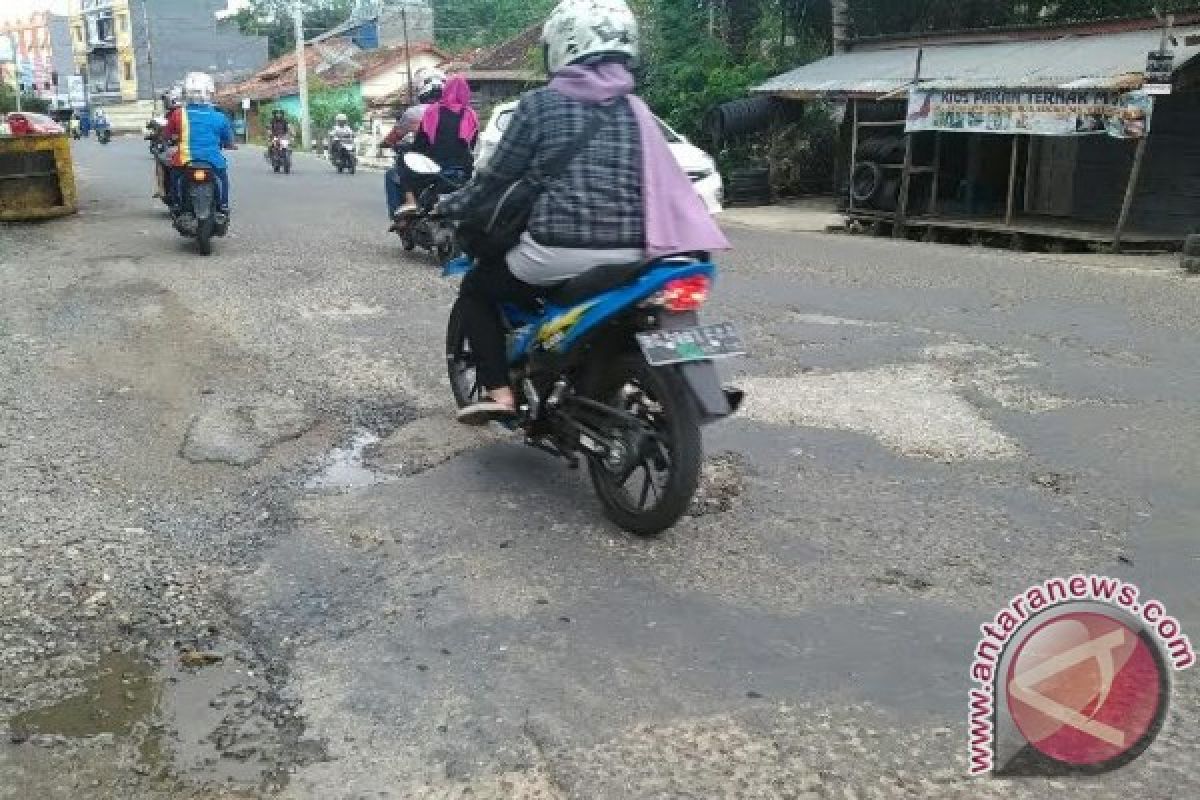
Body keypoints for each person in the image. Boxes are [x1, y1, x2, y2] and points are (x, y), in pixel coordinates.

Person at [440, 0, 729, 424]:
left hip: (559, 251)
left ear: (562, 45)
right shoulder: (638, 110)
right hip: (640, 253)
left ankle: (501, 394)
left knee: (479, 287)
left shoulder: (540, 105)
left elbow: (495, 179)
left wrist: (448, 206)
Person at [164, 72, 236, 213]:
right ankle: (223, 205)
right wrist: (230, 145)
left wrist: (171, 140)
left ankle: (177, 205)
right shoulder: (219, 117)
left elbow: (167, 135)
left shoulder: (178, 114)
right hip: (213, 161)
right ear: (210, 93)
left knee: (175, 178)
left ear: (185, 93)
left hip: (184, 160)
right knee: (222, 180)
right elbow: (228, 140)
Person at [383, 68, 448, 221]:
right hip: (456, 164)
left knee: (392, 174)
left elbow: (394, 137)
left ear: (421, 90)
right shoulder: (463, 112)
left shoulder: (414, 113)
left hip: (423, 164)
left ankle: (401, 218)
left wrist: (386, 143)